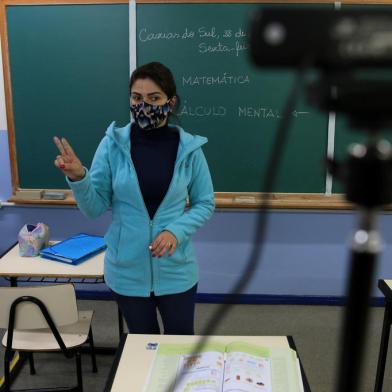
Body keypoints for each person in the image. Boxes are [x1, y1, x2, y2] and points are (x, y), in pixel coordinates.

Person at [53, 62, 214, 335]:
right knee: (143, 349)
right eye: (137, 98)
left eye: (154, 98)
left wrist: (176, 231)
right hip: (126, 271)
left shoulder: (189, 149)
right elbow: (94, 208)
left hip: (177, 270)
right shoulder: (112, 145)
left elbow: (205, 203)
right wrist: (79, 177)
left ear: (170, 102)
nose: (144, 106)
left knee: (180, 348)